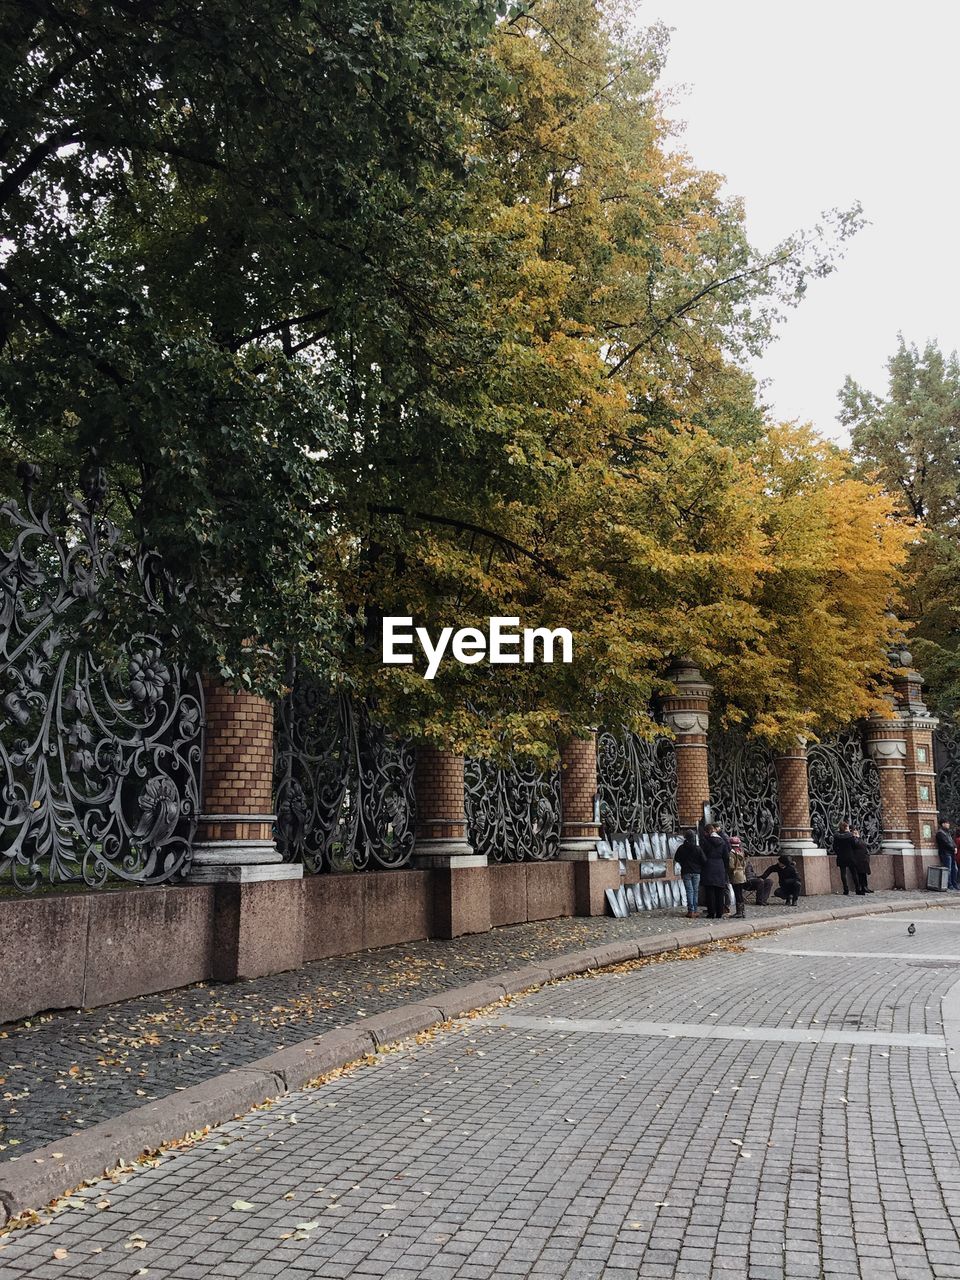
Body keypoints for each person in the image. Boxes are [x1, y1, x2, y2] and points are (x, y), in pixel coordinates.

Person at [699, 823, 730, 919]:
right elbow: (726, 856)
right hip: (720, 867)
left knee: (710, 891)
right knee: (720, 891)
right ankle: (719, 912)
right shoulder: (722, 842)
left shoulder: (705, 841)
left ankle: (711, 912)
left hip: (708, 867)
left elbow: (702, 855)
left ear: (707, 832)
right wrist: (725, 868)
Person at [675, 828, 705, 918]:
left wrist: (683, 863)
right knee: (695, 891)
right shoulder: (697, 848)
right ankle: (695, 910)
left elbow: (677, 858)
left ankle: (690, 911)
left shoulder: (681, 848)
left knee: (689, 891)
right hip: (696, 872)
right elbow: (704, 860)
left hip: (686, 871)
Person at [832, 821, 855, 896]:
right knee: (853, 872)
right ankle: (857, 888)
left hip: (841, 856)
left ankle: (846, 889)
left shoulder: (837, 836)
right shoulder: (850, 836)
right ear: (846, 827)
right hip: (850, 856)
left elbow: (834, 847)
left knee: (843, 873)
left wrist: (839, 853)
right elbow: (854, 844)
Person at [728, 835, 747, 919]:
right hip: (742, 874)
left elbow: (731, 865)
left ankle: (739, 912)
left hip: (735, 875)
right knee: (740, 893)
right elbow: (744, 864)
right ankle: (742, 911)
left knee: (737, 893)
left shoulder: (732, 853)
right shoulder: (741, 852)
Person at [847, 827, 871, 895]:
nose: (855, 831)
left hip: (863, 857)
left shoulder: (859, 838)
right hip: (857, 858)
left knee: (864, 873)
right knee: (859, 873)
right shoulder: (852, 839)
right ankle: (861, 887)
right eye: (854, 831)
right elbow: (856, 844)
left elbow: (864, 845)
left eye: (856, 830)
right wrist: (856, 837)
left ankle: (865, 886)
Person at [936, 819, 959, 890]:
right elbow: (945, 843)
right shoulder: (940, 833)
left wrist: (955, 847)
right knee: (948, 869)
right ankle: (949, 885)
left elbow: (951, 841)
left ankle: (954, 884)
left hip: (951, 853)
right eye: (947, 823)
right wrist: (953, 848)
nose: (948, 824)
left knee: (954, 869)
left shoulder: (947, 832)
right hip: (945, 853)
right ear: (943, 824)